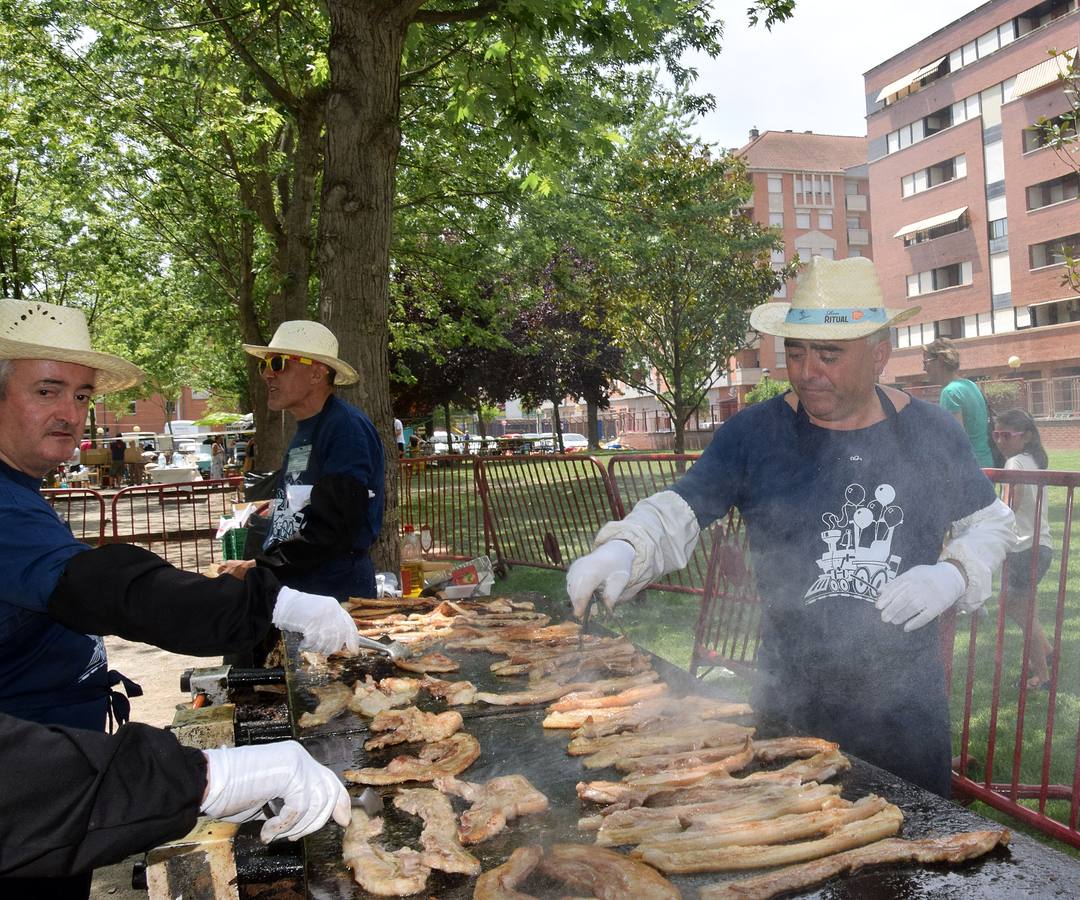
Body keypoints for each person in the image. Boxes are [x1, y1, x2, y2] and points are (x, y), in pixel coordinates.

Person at [566, 257, 1015, 798]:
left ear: (879, 355)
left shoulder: (932, 432)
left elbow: (991, 526)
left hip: (904, 709)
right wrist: (624, 550)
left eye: (828, 354)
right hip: (788, 697)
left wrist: (956, 574)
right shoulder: (753, 433)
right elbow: (681, 509)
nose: (807, 371)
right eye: (795, 352)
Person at [0, 300, 359, 894]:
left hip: (60, 783)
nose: (71, 414)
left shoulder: (19, 488)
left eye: (82, 395)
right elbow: (109, 590)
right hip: (36, 795)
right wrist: (268, 603)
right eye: (47, 390)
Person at [220, 320, 384, 600]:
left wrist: (255, 566)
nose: (268, 375)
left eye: (279, 363)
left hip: (332, 599)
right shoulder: (307, 429)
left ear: (317, 373)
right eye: (265, 365)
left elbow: (334, 529)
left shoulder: (345, 428)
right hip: (301, 591)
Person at [994, 409, 1055, 690]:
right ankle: (1047, 651)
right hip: (1040, 546)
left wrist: (990, 528)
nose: (999, 440)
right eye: (996, 434)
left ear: (1026, 436)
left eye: (1006, 435)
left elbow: (1010, 507)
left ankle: (1042, 676)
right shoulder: (1031, 461)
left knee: (1018, 608)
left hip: (1024, 548)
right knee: (1021, 606)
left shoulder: (1015, 464)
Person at [923, 338, 997, 467]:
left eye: (926, 361)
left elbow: (955, 441)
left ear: (940, 359)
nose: (924, 368)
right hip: (985, 463)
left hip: (968, 469)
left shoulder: (950, 393)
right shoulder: (970, 385)